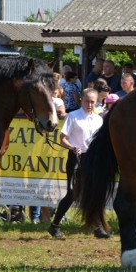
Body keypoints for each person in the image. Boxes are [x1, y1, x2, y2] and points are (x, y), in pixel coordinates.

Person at [48, 88, 109, 240]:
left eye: (92, 102)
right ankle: (54, 225)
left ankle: (97, 227)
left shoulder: (98, 119)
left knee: (93, 192)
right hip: (76, 157)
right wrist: (71, 147)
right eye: (87, 101)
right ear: (81, 100)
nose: (89, 104)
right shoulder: (73, 116)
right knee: (72, 193)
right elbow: (63, 138)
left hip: (92, 159)